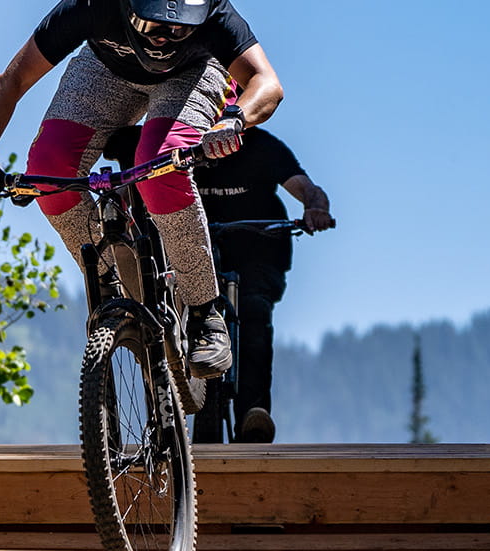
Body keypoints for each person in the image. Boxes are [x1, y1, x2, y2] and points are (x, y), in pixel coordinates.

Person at [0, 0, 284, 377]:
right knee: (48, 169)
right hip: (106, 70)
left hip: (191, 76)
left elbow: (268, 84)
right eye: (153, 23)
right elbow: (11, 80)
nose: (163, 38)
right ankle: (114, 281)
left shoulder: (214, 7)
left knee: (161, 164)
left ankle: (204, 313)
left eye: (178, 28)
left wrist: (233, 120)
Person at [107, 123, 333, 442]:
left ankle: (253, 415)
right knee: (165, 311)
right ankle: (165, 413)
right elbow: (135, 182)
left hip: (258, 247)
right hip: (197, 247)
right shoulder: (182, 142)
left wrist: (316, 208)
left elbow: (307, 188)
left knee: (255, 313)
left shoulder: (262, 146)